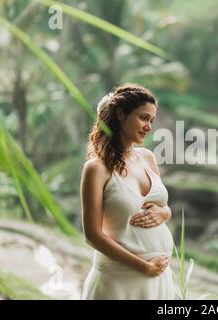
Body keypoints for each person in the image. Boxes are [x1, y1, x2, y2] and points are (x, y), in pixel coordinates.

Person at [80, 83, 174, 299]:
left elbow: (161, 206)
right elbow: (92, 235)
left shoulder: (147, 158)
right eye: (143, 118)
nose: (149, 126)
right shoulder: (96, 168)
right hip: (119, 282)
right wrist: (144, 267)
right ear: (121, 114)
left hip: (158, 280)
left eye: (152, 120)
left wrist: (165, 212)